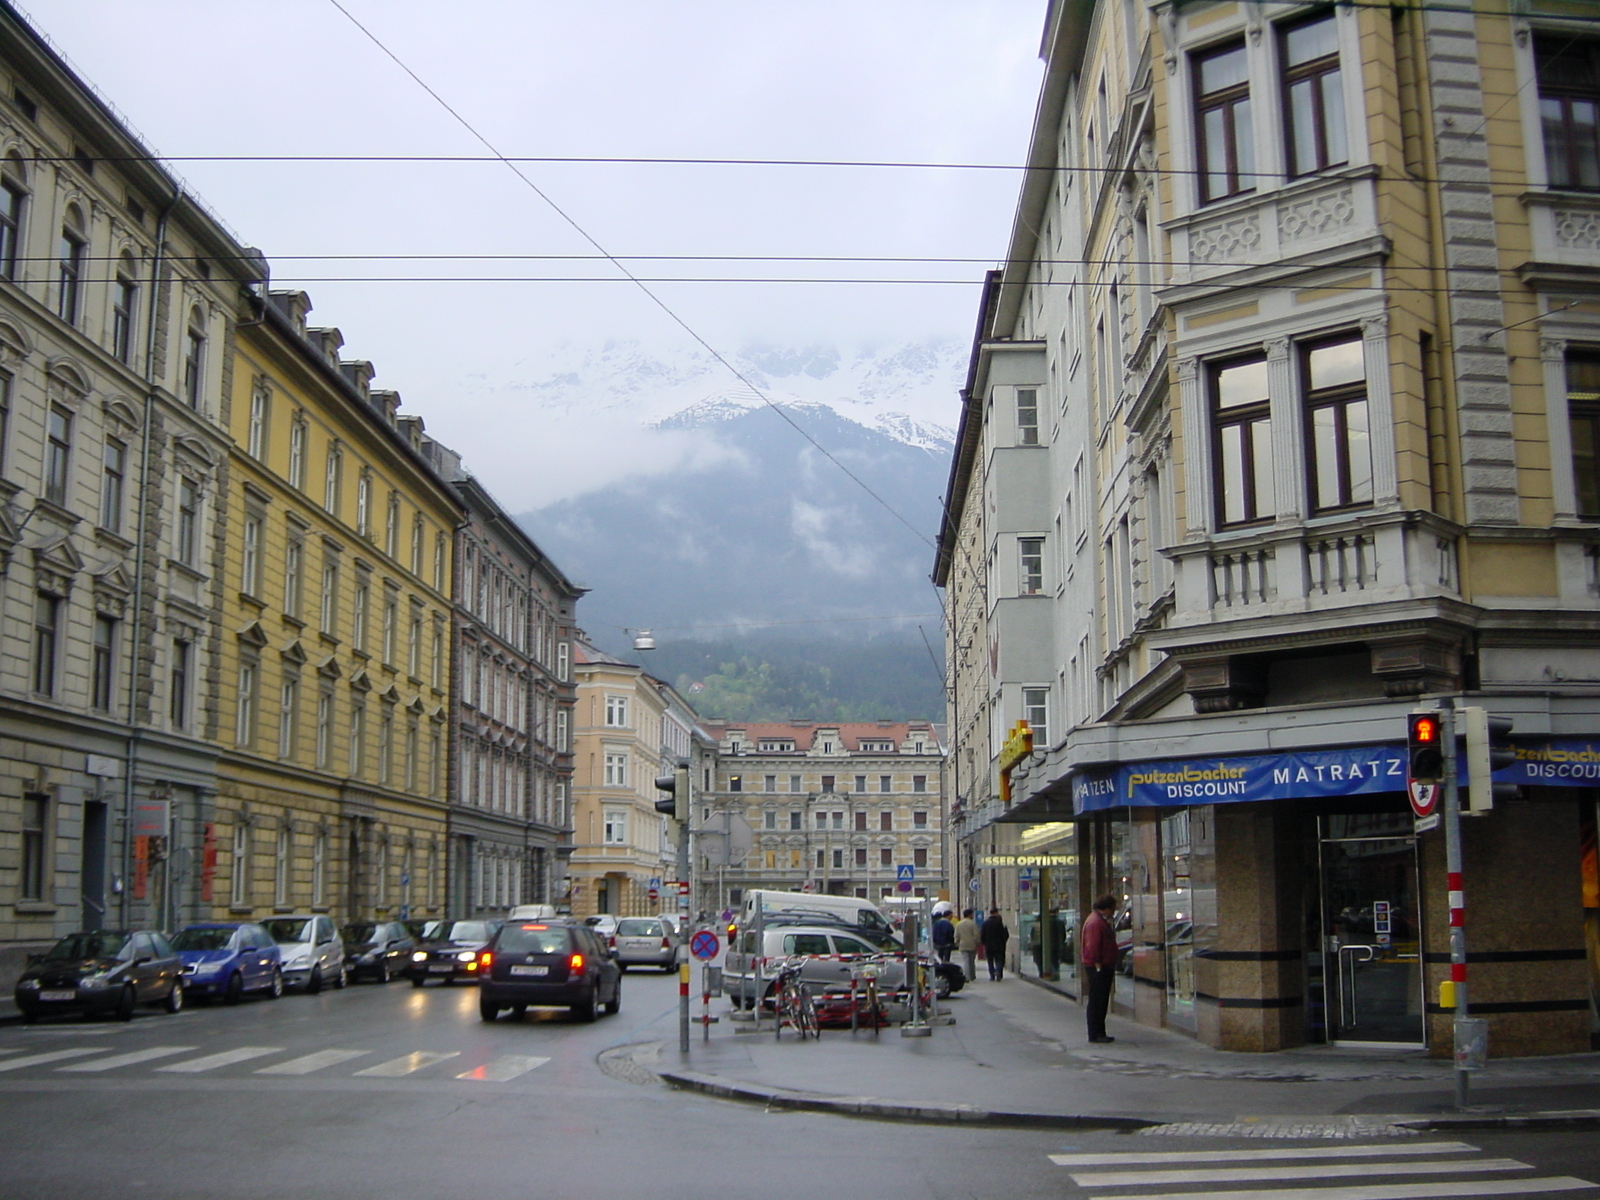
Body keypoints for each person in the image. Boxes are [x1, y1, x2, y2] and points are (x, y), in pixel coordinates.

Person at [1080, 894, 1119, 1043]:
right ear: (1107, 908)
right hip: (1099, 966)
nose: (1113, 912)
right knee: (1098, 1000)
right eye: (1113, 909)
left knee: (1100, 1000)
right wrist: (1097, 964)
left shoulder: (1097, 920)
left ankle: (1099, 1031)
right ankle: (1096, 1033)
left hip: (1102, 965)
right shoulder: (1096, 922)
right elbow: (1093, 945)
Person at [979, 907, 1009, 980]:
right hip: (999, 945)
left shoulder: (985, 923)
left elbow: (982, 935)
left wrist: (984, 943)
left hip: (988, 946)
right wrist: (1003, 941)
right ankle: (998, 973)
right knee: (999, 960)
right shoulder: (999, 923)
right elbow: (1004, 934)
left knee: (990, 961)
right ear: (996, 913)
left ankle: (992, 976)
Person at [953, 909, 981, 985]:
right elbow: (976, 935)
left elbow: (956, 935)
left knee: (966, 961)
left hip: (963, 944)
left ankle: (967, 976)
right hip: (972, 944)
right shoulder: (973, 924)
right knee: (971, 961)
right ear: (969, 915)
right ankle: (972, 975)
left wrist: (957, 942)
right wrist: (977, 942)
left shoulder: (959, 924)